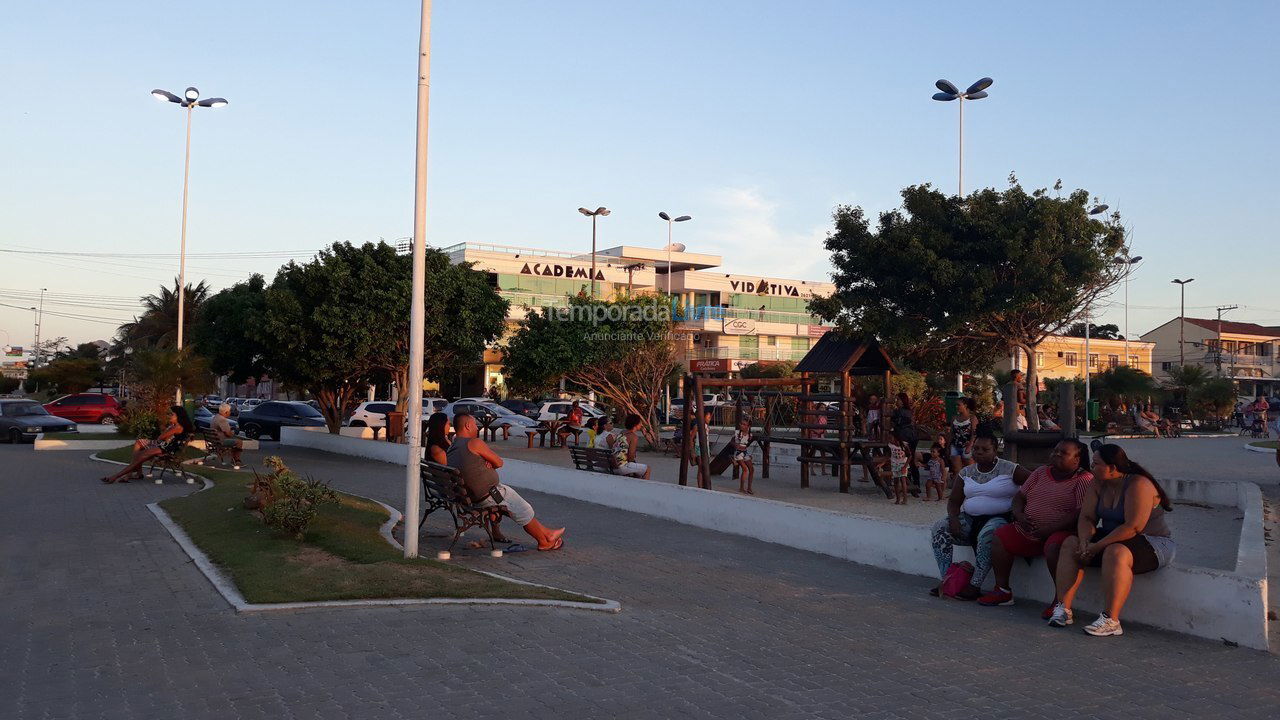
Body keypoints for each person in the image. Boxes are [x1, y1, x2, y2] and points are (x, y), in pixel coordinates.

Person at [1048, 444, 1175, 635]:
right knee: (1070, 544)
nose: (1091, 468)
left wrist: (1096, 546)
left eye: (1096, 464)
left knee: (1115, 552)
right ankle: (1063, 609)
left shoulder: (1138, 484)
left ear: (1113, 468)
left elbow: (1133, 527)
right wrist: (1084, 541)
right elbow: (1087, 517)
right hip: (1113, 539)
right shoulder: (1097, 483)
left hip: (1152, 543)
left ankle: (1111, 619)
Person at [979, 440, 1094, 612]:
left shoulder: (1083, 479)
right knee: (1000, 536)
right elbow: (1020, 497)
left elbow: (1080, 513)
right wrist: (1019, 515)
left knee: (1055, 547)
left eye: (1063, 453)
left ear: (1077, 460)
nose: (1056, 454)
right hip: (1028, 529)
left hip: (1060, 532)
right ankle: (1002, 590)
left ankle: (1060, 600)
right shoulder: (1041, 472)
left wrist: (1050, 528)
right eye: (1055, 450)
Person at [447, 412, 564, 551]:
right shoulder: (474, 443)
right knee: (523, 509)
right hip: (489, 495)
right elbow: (499, 462)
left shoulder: (452, 447)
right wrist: (489, 462)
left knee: (515, 505)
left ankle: (547, 535)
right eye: (474, 425)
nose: (477, 429)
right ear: (467, 426)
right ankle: (544, 540)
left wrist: (485, 461)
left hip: (469, 498)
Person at [928, 433, 1026, 599]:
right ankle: (948, 579)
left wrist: (1020, 508)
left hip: (1000, 518)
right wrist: (953, 519)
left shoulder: (1010, 469)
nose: (979, 452)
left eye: (985, 449)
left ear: (995, 450)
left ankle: (975, 585)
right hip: (970, 518)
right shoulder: (966, 472)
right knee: (939, 528)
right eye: (976, 449)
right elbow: (954, 502)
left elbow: (1035, 483)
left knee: (988, 534)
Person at [101, 406, 194, 484]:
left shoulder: (177, 427)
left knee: (139, 456)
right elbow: (163, 438)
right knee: (139, 450)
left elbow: (161, 437)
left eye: (172, 414)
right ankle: (131, 473)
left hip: (167, 449)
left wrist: (168, 430)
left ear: (179, 416)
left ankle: (116, 477)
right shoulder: (174, 426)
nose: (170, 416)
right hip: (164, 446)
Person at [890, 392, 920, 493]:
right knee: (910, 460)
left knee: (906, 459)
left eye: (898, 399)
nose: (896, 401)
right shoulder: (907, 411)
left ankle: (911, 483)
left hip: (906, 437)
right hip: (911, 437)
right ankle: (915, 483)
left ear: (902, 401)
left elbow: (898, 423)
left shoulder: (901, 412)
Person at [612, 414, 651, 479]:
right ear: (635, 425)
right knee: (647, 469)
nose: (641, 425)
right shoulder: (633, 437)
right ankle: (645, 488)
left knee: (637, 470)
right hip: (622, 467)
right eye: (640, 423)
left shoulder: (621, 433)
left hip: (613, 465)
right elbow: (631, 456)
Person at [950, 397, 977, 474]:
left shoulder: (972, 418)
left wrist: (970, 446)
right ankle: (960, 485)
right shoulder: (954, 418)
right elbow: (951, 433)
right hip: (955, 445)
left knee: (970, 470)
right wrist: (948, 446)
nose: (957, 407)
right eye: (956, 405)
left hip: (967, 446)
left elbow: (974, 434)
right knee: (957, 470)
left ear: (965, 405)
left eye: (959, 405)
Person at [211, 403, 243, 468]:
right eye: (229, 411)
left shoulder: (216, 417)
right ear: (226, 412)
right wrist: (234, 432)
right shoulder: (222, 420)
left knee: (235, 441)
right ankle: (237, 460)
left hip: (214, 440)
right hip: (220, 441)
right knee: (239, 442)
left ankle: (234, 459)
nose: (230, 412)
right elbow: (228, 434)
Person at [887, 426, 911, 504]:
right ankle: (898, 499)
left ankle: (905, 499)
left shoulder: (904, 445)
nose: (889, 440)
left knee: (903, 480)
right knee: (896, 481)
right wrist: (882, 463)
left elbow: (910, 456)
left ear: (896, 438)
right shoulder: (890, 445)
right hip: (894, 464)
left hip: (903, 463)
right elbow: (888, 456)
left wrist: (905, 466)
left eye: (891, 438)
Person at [731, 417, 754, 494]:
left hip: (745, 452)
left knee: (752, 469)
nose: (741, 425)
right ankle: (741, 487)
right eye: (741, 424)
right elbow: (734, 443)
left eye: (744, 424)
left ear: (748, 426)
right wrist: (735, 445)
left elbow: (746, 445)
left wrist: (747, 453)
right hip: (738, 453)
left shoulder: (750, 435)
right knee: (745, 469)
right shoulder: (738, 433)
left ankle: (749, 488)